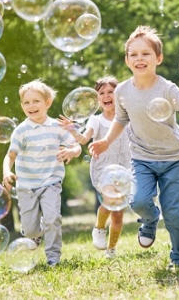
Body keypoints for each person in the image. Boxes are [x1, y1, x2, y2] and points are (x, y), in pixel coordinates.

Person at [89, 25, 179, 269]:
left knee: (174, 213)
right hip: (142, 158)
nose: (140, 58)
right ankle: (150, 219)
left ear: (158, 58)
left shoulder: (167, 88)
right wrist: (106, 141)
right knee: (138, 201)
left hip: (171, 158)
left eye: (146, 53)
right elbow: (121, 119)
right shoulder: (122, 91)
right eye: (134, 54)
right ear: (127, 60)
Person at [3, 79, 82, 267]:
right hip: (26, 185)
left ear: (47, 103)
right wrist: (7, 171)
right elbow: (10, 155)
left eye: (36, 101)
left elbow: (76, 145)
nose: (31, 106)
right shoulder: (21, 131)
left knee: (52, 218)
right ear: (22, 105)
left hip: (51, 182)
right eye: (26, 102)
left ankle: (53, 257)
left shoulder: (57, 126)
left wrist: (72, 151)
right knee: (30, 230)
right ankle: (35, 236)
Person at [58, 76, 131, 259]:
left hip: (125, 168)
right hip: (103, 168)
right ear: (97, 99)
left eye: (110, 92)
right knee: (109, 201)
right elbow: (83, 139)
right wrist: (72, 130)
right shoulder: (95, 121)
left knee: (118, 214)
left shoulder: (128, 117)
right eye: (102, 93)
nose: (106, 96)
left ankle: (111, 249)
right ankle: (99, 228)